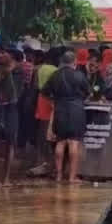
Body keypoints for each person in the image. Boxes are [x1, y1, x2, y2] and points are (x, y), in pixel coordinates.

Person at [43, 50, 90, 184]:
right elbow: (88, 92)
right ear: (74, 62)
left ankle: (58, 176)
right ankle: (72, 177)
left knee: (61, 141)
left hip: (60, 109)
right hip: (76, 110)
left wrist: (54, 101)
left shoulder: (55, 75)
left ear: (63, 62)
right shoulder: (79, 75)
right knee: (74, 142)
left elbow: (44, 92)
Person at [0, 50, 22, 186]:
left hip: (10, 109)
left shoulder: (17, 72)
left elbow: (17, 92)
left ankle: (6, 178)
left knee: (10, 143)